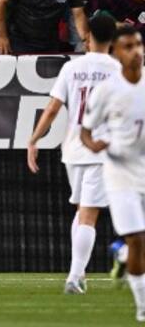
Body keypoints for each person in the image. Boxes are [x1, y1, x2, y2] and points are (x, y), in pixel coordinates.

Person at [27, 13, 120, 294]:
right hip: (100, 149)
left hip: (72, 150)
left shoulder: (72, 68)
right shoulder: (119, 69)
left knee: (81, 211)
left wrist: (33, 140)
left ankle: (77, 276)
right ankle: (74, 276)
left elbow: (53, 109)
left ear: (88, 35)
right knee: (88, 215)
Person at [81, 25, 145, 323]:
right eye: (129, 46)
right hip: (119, 173)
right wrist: (95, 145)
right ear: (117, 54)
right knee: (138, 239)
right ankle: (142, 307)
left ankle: (121, 255)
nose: (136, 51)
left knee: (137, 243)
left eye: (139, 45)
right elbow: (86, 131)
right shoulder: (107, 91)